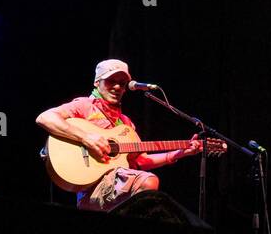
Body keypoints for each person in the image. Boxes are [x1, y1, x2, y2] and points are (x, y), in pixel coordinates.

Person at [35, 58, 201, 211]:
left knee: (150, 189)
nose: (117, 87)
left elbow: (141, 160)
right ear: (97, 82)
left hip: (119, 184)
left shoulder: (126, 124)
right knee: (149, 181)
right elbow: (45, 118)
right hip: (92, 190)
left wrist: (180, 152)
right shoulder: (85, 106)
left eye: (122, 84)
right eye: (111, 81)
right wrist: (86, 137)